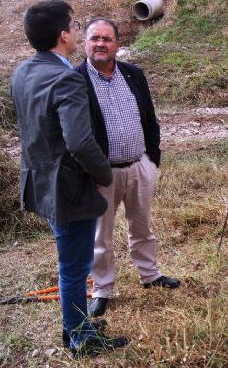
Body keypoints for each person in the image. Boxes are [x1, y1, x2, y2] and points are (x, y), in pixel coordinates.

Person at [10, 0, 128, 357]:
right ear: (63, 35)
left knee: (71, 262)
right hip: (70, 189)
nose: (78, 31)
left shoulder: (23, 72)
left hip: (41, 182)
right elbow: (79, 140)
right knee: (75, 267)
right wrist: (103, 173)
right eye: (75, 26)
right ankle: (79, 337)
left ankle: (73, 326)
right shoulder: (66, 78)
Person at [74, 18, 180, 318]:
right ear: (85, 43)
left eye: (107, 39)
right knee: (99, 236)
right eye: (94, 38)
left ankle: (150, 275)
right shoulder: (76, 79)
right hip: (101, 174)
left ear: (117, 44)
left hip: (139, 166)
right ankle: (102, 289)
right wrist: (89, 173)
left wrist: (151, 159)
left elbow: (149, 118)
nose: (100, 44)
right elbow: (75, 134)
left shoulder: (133, 74)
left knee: (142, 226)